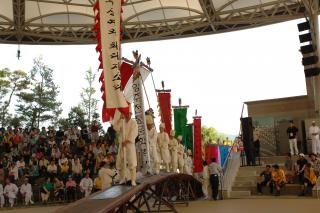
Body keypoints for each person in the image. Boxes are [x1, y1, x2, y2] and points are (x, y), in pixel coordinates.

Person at [113, 110, 138, 186]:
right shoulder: (122, 122)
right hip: (122, 144)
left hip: (129, 144)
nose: (127, 115)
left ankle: (133, 179)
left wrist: (127, 141)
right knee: (120, 161)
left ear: (131, 114)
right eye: (126, 113)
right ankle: (122, 178)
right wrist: (119, 119)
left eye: (129, 114)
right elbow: (116, 128)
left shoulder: (134, 122)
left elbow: (134, 133)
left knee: (132, 162)